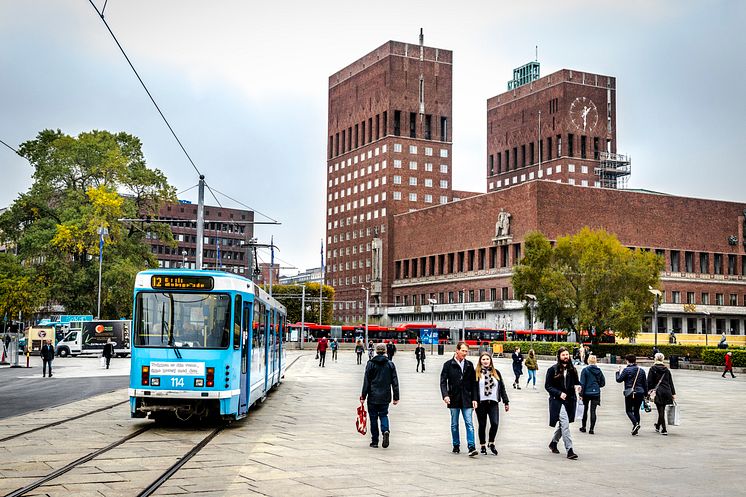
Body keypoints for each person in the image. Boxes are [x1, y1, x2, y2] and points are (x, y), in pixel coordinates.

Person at [440, 341, 479, 457]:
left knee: (469, 423)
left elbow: (474, 383)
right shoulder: (448, 364)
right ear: (457, 350)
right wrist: (445, 395)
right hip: (453, 398)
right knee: (454, 424)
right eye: (463, 351)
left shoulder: (469, 365)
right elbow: (443, 382)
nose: (465, 353)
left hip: (467, 398)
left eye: (466, 351)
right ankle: (456, 445)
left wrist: (474, 398)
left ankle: (471, 447)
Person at [361, 343, 400, 448]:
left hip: (373, 396)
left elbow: (366, 381)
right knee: (383, 415)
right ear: (385, 351)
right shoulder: (390, 364)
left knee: (373, 418)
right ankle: (385, 430)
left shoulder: (370, 363)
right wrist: (396, 397)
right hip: (385, 395)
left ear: (376, 351)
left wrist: (363, 396)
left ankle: (374, 441)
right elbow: (395, 382)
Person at [545, 347, 581, 460]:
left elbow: (577, 382)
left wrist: (579, 387)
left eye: (567, 354)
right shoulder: (553, 369)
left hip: (570, 400)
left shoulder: (572, 369)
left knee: (563, 424)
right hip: (557, 401)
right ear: (559, 357)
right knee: (565, 425)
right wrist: (559, 393)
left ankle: (553, 443)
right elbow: (548, 386)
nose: (566, 357)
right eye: (563, 355)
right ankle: (569, 450)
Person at [475, 352, 509, 455]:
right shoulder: (476, 373)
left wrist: (506, 401)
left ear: (491, 361)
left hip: (493, 402)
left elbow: (502, 387)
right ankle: (482, 445)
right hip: (481, 403)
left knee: (495, 423)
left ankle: (491, 442)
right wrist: (473, 400)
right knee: (482, 424)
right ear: (480, 361)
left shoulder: (496, 372)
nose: (485, 361)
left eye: (487, 359)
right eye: (483, 359)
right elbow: (473, 388)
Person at [615, 354, 648, 435]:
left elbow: (619, 380)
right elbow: (645, 383)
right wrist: (646, 394)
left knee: (629, 410)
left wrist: (617, 372)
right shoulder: (641, 370)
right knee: (636, 410)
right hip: (640, 392)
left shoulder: (626, 370)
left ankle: (635, 424)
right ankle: (635, 430)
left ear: (627, 361)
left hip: (630, 392)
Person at [646, 352, 676, 435]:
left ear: (655, 359)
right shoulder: (666, 369)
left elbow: (649, 382)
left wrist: (648, 392)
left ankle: (664, 429)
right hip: (667, 391)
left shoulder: (652, 369)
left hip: (658, 392)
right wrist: (673, 393)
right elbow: (670, 382)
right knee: (662, 409)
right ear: (663, 359)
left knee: (661, 410)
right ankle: (658, 425)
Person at [579, 355, 606, 434]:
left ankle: (583, 427)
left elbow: (582, 383)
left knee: (585, 410)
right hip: (596, 393)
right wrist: (597, 386)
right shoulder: (599, 371)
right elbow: (603, 383)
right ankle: (591, 429)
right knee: (593, 411)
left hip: (586, 393)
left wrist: (581, 394)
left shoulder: (585, 370)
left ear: (588, 361)